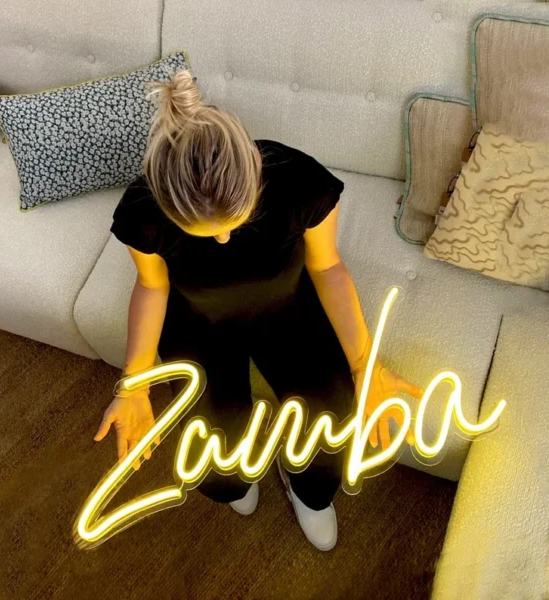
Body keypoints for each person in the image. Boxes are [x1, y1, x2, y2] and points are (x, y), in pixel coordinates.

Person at [93, 68, 424, 552]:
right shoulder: (142, 212)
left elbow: (327, 267)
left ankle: (305, 490)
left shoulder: (300, 182)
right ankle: (235, 483)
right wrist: (135, 382)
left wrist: (362, 363)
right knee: (213, 450)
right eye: (205, 233)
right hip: (198, 321)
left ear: (255, 167)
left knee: (332, 418)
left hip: (287, 308)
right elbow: (151, 286)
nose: (223, 240)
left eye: (234, 222)